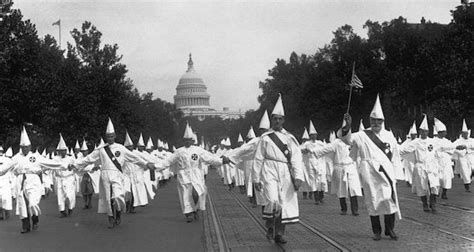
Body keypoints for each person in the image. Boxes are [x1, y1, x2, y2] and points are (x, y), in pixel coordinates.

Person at [71, 118, 156, 229]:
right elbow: (88, 159)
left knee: (118, 196)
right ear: (106, 137)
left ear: (115, 136)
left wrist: (146, 163)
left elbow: (134, 158)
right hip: (105, 174)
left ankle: (119, 211)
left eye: (112, 136)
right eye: (108, 136)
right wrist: (76, 165)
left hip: (117, 174)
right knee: (107, 197)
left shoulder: (121, 148)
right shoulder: (101, 149)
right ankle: (111, 217)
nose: (110, 138)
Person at [341, 94, 401, 241]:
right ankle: (376, 231)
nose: (375, 123)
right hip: (369, 171)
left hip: (386, 171)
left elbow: (396, 156)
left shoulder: (389, 136)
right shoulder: (361, 135)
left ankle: (390, 229)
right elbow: (346, 139)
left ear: (383, 121)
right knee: (373, 200)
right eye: (373, 120)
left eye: (378, 120)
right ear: (370, 121)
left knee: (389, 199)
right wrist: (347, 126)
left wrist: (397, 175)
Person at [253, 94, 304, 244]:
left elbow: (296, 158)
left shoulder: (290, 138)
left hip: (285, 172)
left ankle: (280, 233)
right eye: (274, 118)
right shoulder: (265, 138)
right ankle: (270, 226)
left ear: (283, 120)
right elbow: (258, 158)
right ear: (271, 119)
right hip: (269, 171)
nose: (277, 121)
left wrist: (298, 176)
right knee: (272, 201)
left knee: (284, 204)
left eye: (279, 119)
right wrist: (256, 178)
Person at [0, 127, 71, 233]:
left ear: (30, 147)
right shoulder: (16, 158)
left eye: (26, 147)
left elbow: (51, 163)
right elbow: (4, 168)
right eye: (23, 147)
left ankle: (35, 218)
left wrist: (66, 165)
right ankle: (25, 225)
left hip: (33, 181)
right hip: (20, 181)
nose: (25, 149)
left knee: (33, 203)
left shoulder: (36, 157)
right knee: (22, 205)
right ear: (20, 147)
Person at [163, 123, 228, 222]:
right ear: (183, 140)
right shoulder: (179, 151)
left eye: (190, 140)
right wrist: (155, 166)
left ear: (192, 141)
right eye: (186, 140)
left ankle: (195, 209)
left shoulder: (198, 150)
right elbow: (168, 161)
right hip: (184, 175)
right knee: (186, 194)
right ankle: (188, 213)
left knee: (197, 193)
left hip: (196, 174)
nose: (188, 142)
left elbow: (209, 157)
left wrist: (221, 161)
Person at [308, 131, 362, 216]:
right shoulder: (336, 143)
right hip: (340, 167)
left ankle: (355, 209)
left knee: (353, 189)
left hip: (351, 167)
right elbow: (325, 149)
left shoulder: (353, 141)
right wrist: (313, 151)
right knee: (341, 189)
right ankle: (344, 208)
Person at [400, 115, 439, 213]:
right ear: (419, 132)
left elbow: (444, 148)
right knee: (422, 186)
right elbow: (404, 150)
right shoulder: (415, 142)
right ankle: (425, 204)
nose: (424, 133)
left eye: (426, 131)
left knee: (434, 185)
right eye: (422, 131)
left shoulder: (433, 141)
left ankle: (433, 204)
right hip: (420, 166)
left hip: (431, 166)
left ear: (428, 131)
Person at [301, 121, 327, 205]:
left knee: (322, 181)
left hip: (320, 163)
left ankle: (321, 196)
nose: (313, 136)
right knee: (314, 181)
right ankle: (316, 198)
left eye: (315, 134)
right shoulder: (307, 143)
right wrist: (306, 150)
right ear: (310, 136)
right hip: (311, 163)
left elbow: (327, 149)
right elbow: (301, 150)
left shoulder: (320, 143)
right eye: (312, 135)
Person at [54, 134, 77, 217]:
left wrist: (73, 168)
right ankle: (62, 211)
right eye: (61, 150)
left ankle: (70, 208)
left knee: (70, 195)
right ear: (59, 151)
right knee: (60, 196)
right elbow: (50, 166)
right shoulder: (55, 159)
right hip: (60, 179)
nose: (63, 152)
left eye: (64, 150)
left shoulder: (71, 158)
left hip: (69, 179)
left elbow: (76, 166)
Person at [433, 118, 455, 199]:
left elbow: (452, 149)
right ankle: (436, 192)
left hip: (446, 162)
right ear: (440, 132)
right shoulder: (433, 141)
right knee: (437, 178)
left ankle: (444, 193)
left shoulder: (447, 141)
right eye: (444, 132)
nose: (445, 133)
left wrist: (445, 150)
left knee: (446, 178)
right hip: (437, 162)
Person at [453, 119, 474, 192]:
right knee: (465, 171)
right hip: (463, 157)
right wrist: (461, 152)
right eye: (464, 133)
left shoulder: (472, 140)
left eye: (467, 133)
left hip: (471, 156)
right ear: (462, 133)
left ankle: (469, 179)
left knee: (472, 169)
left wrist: (467, 148)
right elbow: (453, 148)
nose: (466, 135)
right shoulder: (458, 141)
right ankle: (467, 185)